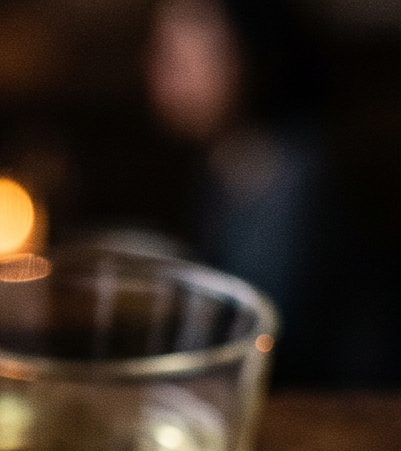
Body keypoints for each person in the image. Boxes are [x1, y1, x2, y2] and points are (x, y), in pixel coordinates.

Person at [146, 0, 349, 379]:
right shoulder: (224, 163)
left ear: (252, 48)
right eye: (161, 51)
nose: (165, 77)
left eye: (184, 58)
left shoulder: (291, 179)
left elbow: (277, 341)